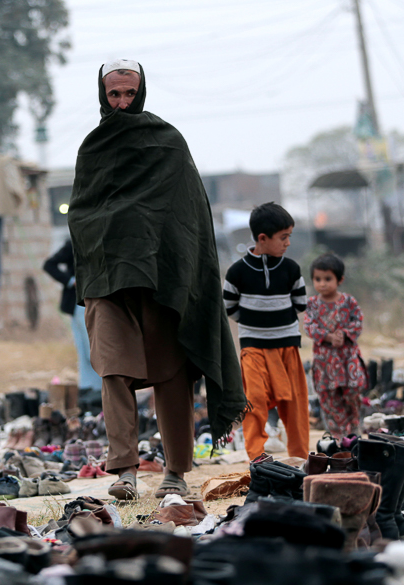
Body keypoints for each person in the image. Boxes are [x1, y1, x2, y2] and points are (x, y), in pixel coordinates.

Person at [67, 59, 244, 500]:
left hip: (163, 281)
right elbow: (84, 216)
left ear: (142, 92)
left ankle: (176, 474)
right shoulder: (93, 148)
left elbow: (189, 217)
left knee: (172, 376)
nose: (123, 103)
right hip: (108, 281)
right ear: (102, 95)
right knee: (113, 372)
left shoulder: (168, 144)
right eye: (114, 95)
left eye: (130, 94)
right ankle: (124, 471)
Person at [223, 202, 310, 461]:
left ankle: (299, 457)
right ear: (263, 238)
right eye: (283, 237)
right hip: (253, 348)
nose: (288, 243)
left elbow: (300, 304)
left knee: (294, 405)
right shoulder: (237, 272)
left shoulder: (291, 269)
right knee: (255, 401)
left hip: (287, 348)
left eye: (289, 237)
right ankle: (257, 458)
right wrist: (255, 325)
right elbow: (230, 307)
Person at [303, 253, 367, 438]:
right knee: (330, 400)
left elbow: (358, 322)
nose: (322, 283)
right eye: (318, 279)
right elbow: (309, 327)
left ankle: (354, 432)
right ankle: (338, 438)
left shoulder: (349, 302)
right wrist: (328, 337)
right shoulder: (312, 305)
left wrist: (344, 334)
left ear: (340, 279)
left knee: (352, 395)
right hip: (325, 364)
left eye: (327, 279)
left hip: (348, 360)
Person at [42, 238, 102, 413]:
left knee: (96, 349)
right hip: (79, 303)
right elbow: (49, 265)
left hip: (98, 302)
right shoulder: (75, 243)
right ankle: (90, 391)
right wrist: (71, 281)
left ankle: (97, 392)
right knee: (85, 349)